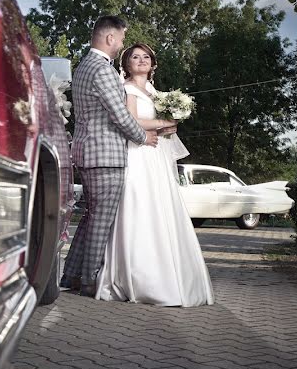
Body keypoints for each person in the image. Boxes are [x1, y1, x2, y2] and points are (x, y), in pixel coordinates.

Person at [94, 43, 215, 307]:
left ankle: (170, 273)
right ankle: (139, 278)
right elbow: (131, 120)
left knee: (162, 209)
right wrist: (163, 123)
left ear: (153, 63)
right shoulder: (126, 89)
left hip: (157, 156)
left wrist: (170, 125)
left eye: (146, 57)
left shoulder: (156, 93)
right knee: (140, 207)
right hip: (138, 154)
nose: (141, 60)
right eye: (135, 57)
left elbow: (162, 125)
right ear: (126, 63)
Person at [60, 16, 159, 297]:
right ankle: (90, 280)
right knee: (102, 219)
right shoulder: (101, 69)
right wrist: (143, 137)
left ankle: (73, 274)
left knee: (92, 217)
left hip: (88, 152)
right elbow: (119, 114)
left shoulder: (83, 66)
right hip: (104, 155)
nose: (123, 44)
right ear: (110, 38)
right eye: (122, 39)